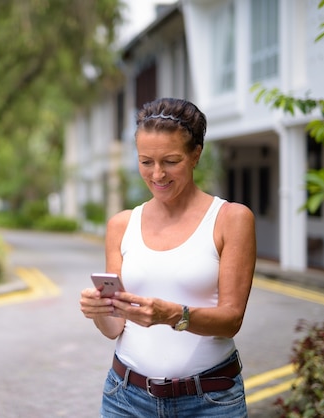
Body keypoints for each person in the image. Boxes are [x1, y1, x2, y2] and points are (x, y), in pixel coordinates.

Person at [79, 97, 256, 418]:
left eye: (171, 161)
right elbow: (115, 326)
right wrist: (98, 311)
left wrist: (172, 315)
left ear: (195, 156)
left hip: (210, 401)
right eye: (146, 162)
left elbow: (231, 320)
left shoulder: (231, 219)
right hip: (126, 398)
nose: (157, 174)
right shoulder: (121, 224)